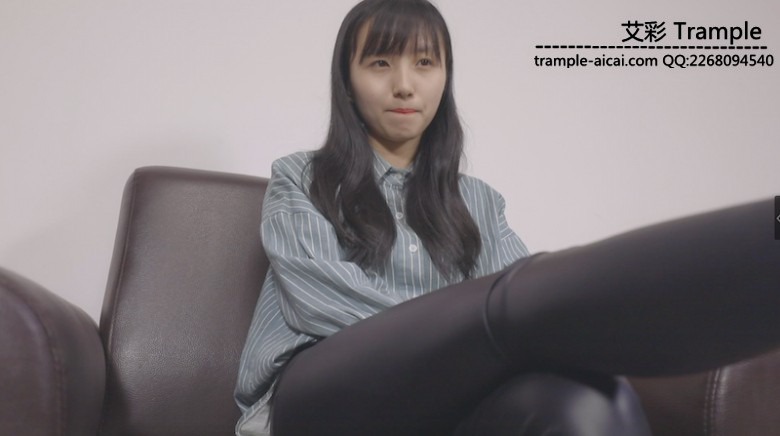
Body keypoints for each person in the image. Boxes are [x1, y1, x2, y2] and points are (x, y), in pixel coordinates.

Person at [234, 0, 780, 435]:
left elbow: (525, 312)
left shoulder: (478, 203)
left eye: (424, 63)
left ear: (444, 77)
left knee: (583, 401)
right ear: (348, 82)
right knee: (519, 308)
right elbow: (318, 301)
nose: (404, 84)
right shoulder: (301, 177)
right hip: (319, 396)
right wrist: (468, 338)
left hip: (439, 404)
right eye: (380, 63)